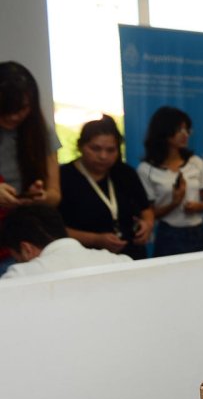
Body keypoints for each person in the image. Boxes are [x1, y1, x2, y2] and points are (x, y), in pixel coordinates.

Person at [58, 116, 154, 259]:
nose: (103, 156)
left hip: (131, 255)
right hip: (83, 258)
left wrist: (147, 224)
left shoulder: (125, 173)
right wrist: (96, 239)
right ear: (80, 146)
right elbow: (54, 229)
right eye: (95, 149)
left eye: (111, 150)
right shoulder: (63, 177)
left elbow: (146, 209)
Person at [0, 61, 62, 274]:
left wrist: (38, 197)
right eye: (7, 109)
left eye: (22, 109)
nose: (14, 116)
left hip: (24, 243)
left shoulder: (41, 133)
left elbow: (54, 195)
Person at [137, 106, 203, 256]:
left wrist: (197, 206)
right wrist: (174, 203)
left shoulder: (196, 162)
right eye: (179, 130)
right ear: (163, 131)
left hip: (198, 232)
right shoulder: (146, 169)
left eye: (187, 130)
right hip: (169, 234)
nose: (185, 134)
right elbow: (149, 214)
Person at [1, 204, 130, 279]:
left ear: (26, 249)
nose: (18, 263)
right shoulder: (121, 262)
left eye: (17, 259)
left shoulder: (18, 276)